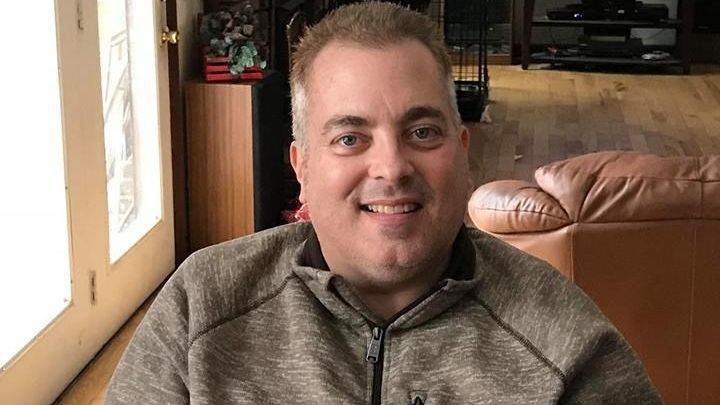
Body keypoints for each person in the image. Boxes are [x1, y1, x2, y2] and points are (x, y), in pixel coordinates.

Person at [105, 2, 661, 404]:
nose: (392, 167)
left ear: (462, 153)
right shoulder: (202, 305)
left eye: (422, 132)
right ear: (302, 168)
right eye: (350, 138)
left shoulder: (564, 342)